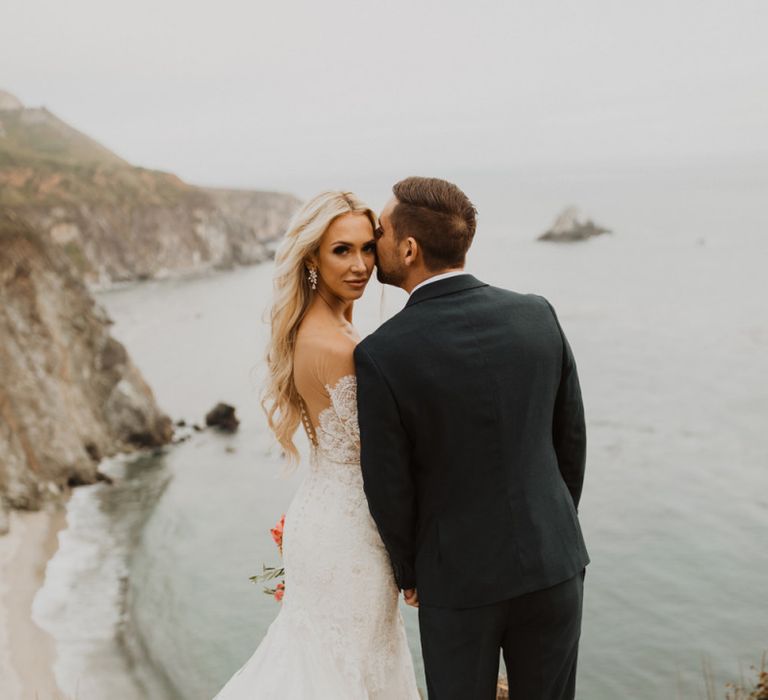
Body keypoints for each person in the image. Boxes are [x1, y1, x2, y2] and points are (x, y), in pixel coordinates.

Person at [354, 176, 590, 700]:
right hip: (554, 561)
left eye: (382, 234)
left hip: (458, 581)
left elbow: (388, 484)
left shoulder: (381, 353)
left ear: (409, 249)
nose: (376, 245)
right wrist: (553, 523)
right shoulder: (538, 314)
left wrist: (409, 570)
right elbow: (570, 440)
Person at [212, 191, 420, 699]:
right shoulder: (343, 347)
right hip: (353, 538)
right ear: (311, 259)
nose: (361, 266)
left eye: (368, 249)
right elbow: (386, 459)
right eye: (341, 251)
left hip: (323, 516)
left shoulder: (316, 329)